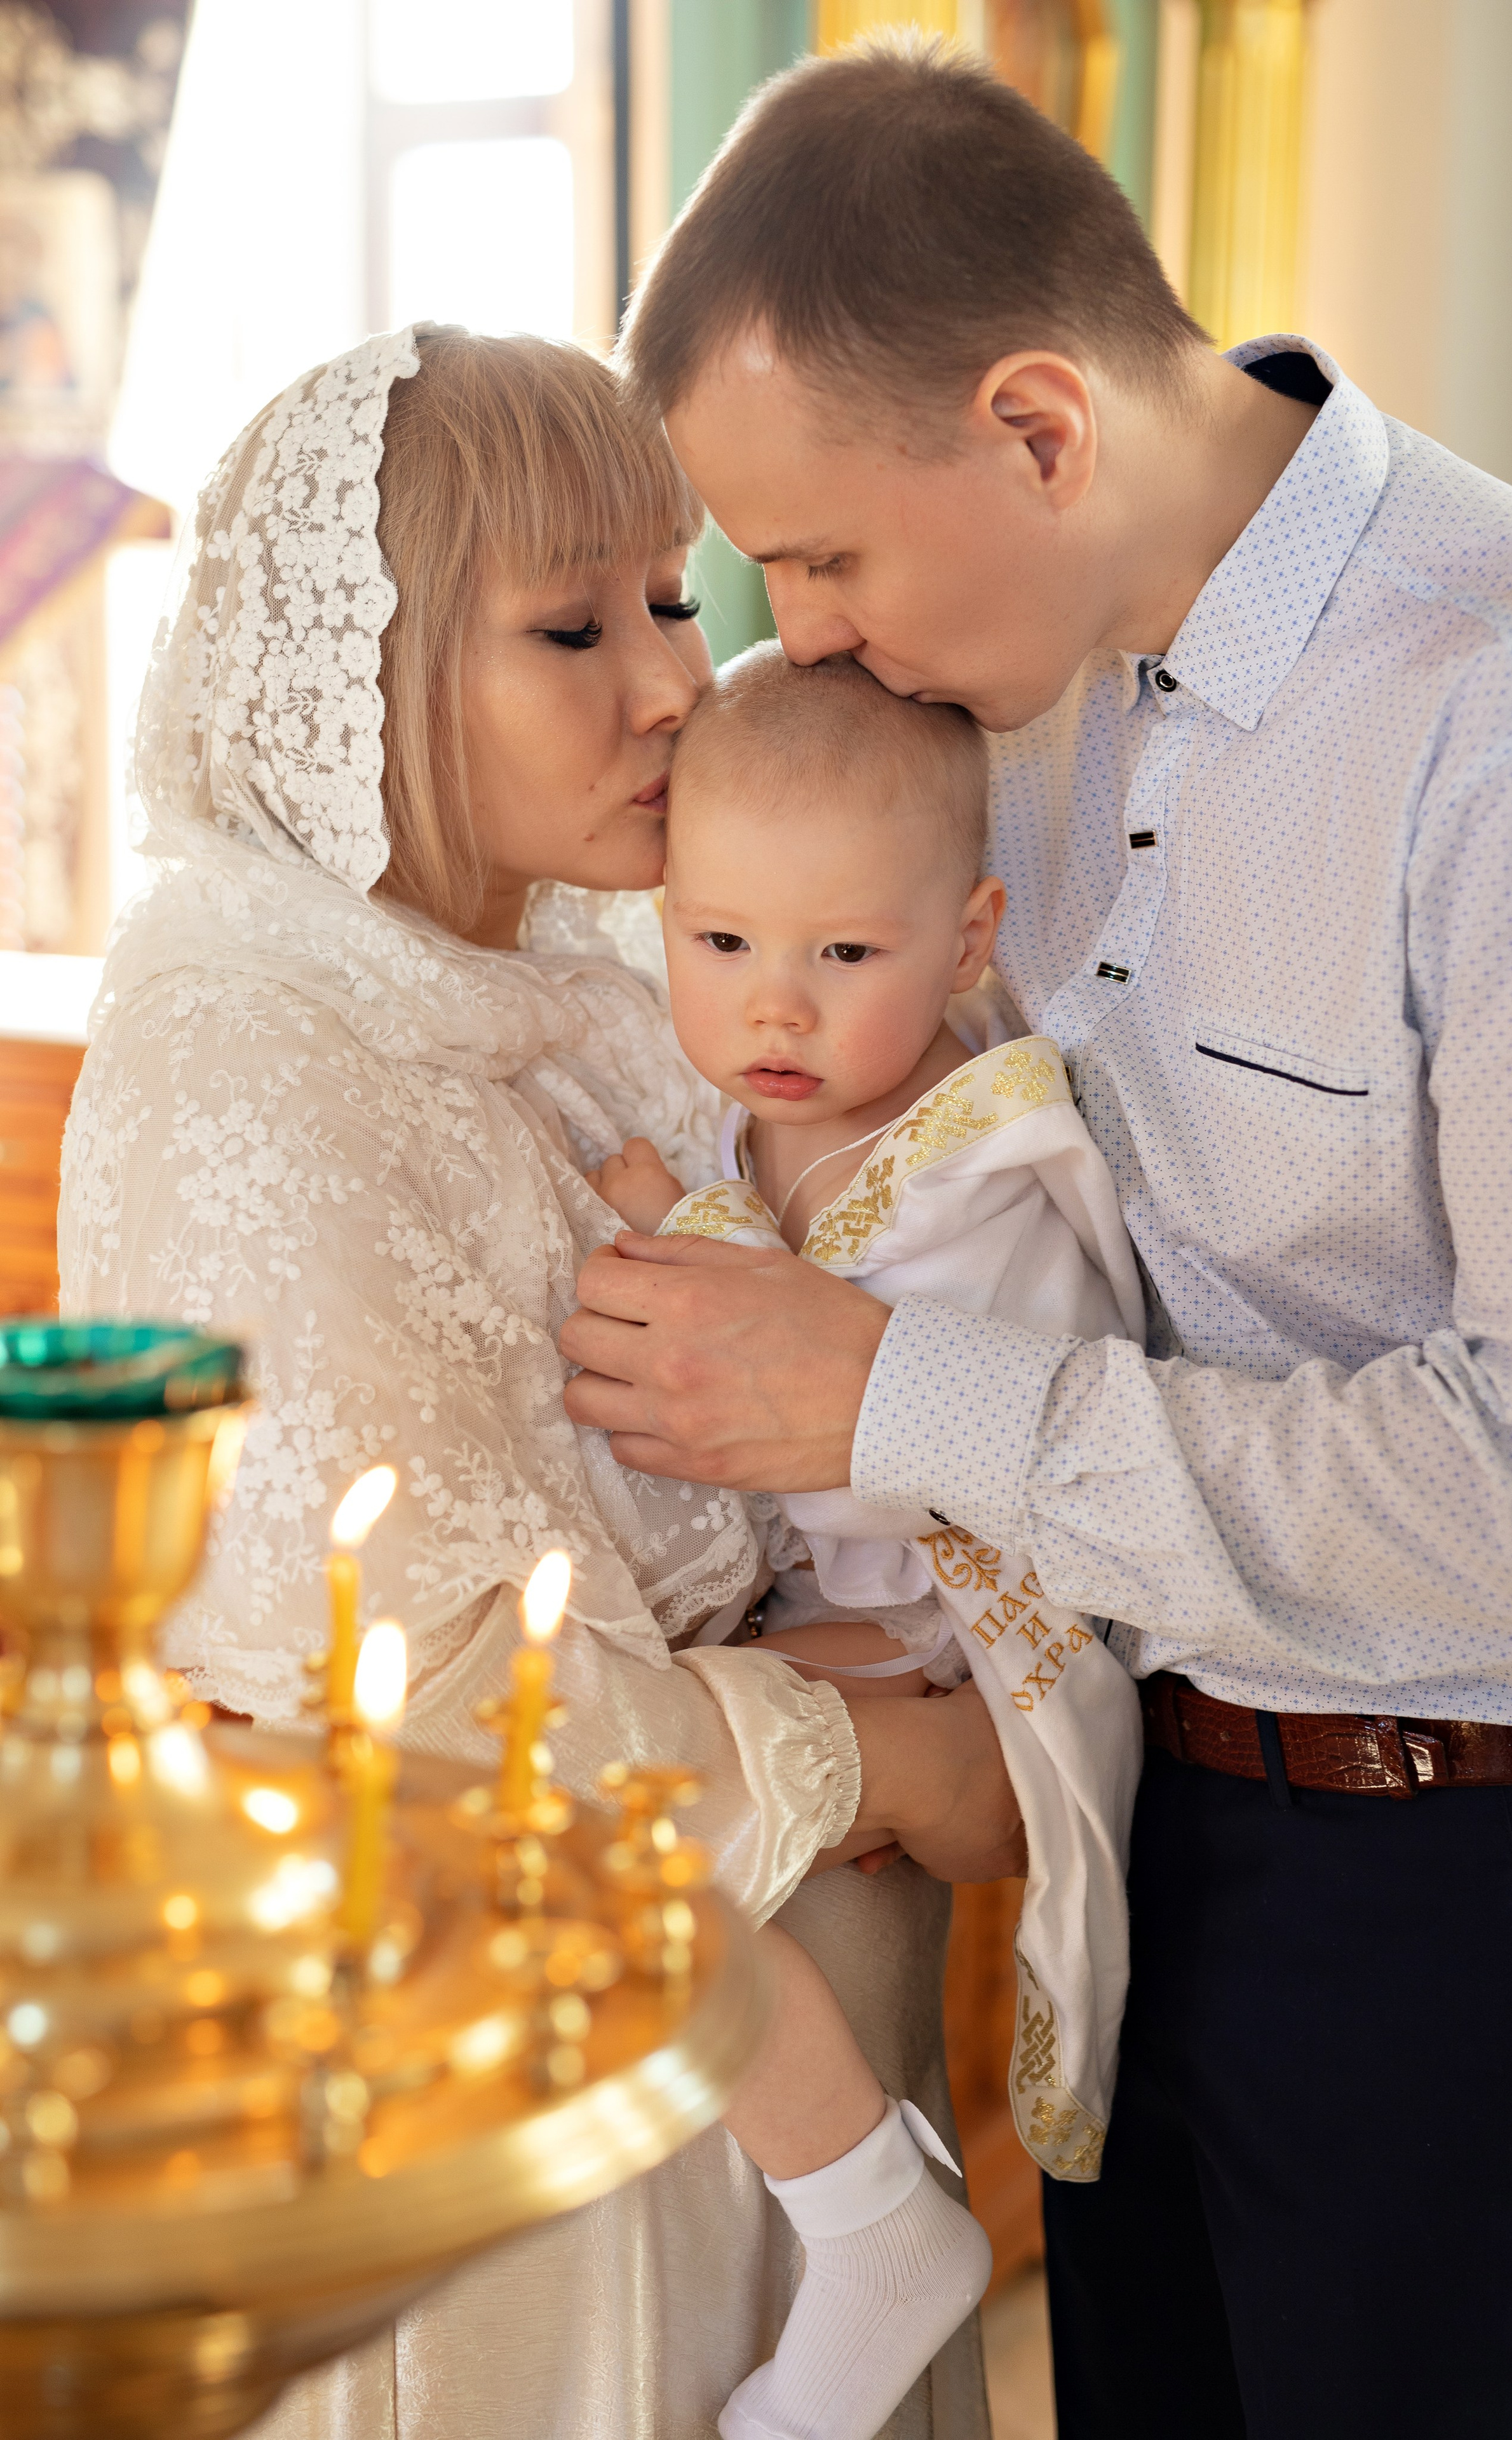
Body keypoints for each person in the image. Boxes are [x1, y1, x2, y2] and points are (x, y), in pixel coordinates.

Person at [564, 39, 1512, 2440]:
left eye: (819, 555)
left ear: (1039, 427)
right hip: (1131, 1851)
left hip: (1473, 1892)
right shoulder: (981, 699)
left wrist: (889, 1397)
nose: (802, 636)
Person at [58, 321, 1012, 2440]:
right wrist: (886, 1760)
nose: (676, 678)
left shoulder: (601, 980)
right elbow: (423, 1669)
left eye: (673, 595)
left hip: (775, 2028)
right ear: (369, 680)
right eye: (573, 624)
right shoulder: (247, 1053)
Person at [593, 642, 1150, 2440]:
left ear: (969, 941)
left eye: (847, 956)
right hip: (817, 1597)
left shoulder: (985, 1163)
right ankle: (836, 2201)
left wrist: (714, 1274)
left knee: (653, 1786)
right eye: (725, 943)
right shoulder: (722, 1112)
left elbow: (961, 1454)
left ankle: (882, 2226)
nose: (779, 1006)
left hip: (965, 1630)